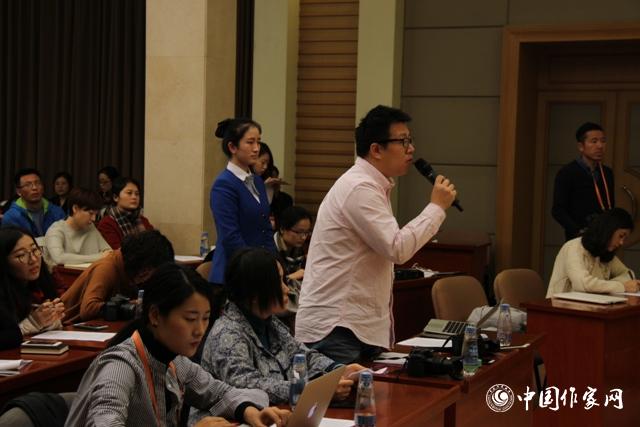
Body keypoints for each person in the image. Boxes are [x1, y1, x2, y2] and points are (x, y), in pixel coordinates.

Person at [295, 105, 457, 364]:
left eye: (410, 140)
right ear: (376, 149)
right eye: (403, 141)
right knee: (342, 392)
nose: (411, 149)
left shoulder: (371, 185)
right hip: (337, 328)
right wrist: (436, 207)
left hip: (354, 326)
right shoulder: (359, 187)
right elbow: (397, 248)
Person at [65, 262, 290, 427]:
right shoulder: (120, 367)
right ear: (155, 315)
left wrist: (250, 412)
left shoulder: (176, 362)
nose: (200, 330)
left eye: (205, 318)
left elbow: (220, 393)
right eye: (190, 319)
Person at [196, 248, 364, 407]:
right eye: (278, 282)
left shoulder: (269, 321)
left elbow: (302, 355)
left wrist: (338, 371)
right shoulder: (227, 334)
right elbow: (248, 386)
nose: (286, 289)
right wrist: (315, 390)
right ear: (254, 293)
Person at [208, 118, 275, 285]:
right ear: (232, 147)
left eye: (258, 142)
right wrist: (254, 267)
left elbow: (266, 228)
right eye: (250, 142)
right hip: (235, 272)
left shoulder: (257, 181)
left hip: (260, 269)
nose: (256, 148)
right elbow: (230, 236)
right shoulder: (224, 184)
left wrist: (273, 262)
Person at [61, 230, 174, 322]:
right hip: (66, 327)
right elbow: (88, 309)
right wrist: (130, 306)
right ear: (145, 270)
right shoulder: (107, 267)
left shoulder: (130, 269)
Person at [546, 208, 640, 297]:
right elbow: (582, 284)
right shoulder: (574, 247)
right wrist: (622, 286)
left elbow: (628, 274)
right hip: (559, 306)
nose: (621, 242)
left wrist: (607, 286)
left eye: (624, 238)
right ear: (609, 230)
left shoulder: (605, 251)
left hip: (591, 305)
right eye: (621, 236)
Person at [0, 227, 65, 350]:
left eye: (35, 250)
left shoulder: (43, 280)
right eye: (21, 255)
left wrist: (51, 318)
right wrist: (30, 324)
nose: (33, 260)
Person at [552, 122, 615, 241]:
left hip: (603, 237)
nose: (600, 146)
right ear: (581, 146)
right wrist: (578, 231)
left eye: (603, 141)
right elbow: (558, 210)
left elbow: (610, 205)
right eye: (594, 141)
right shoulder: (567, 172)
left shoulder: (607, 172)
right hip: (578, 237)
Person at [44, 188, 112, 266]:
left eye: (95, 214)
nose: (93, 219)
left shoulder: (90, 227)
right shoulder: (56, 230)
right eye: (90, 213)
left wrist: (102, 256)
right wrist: (98, 257)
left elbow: (108, 252)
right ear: (75, 208)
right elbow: (59, 258)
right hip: (63, 273)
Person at [2, 168, 65, 236]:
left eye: (38, 183)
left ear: (43, 188)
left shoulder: (57, 212)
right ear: (19, 192)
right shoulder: (11, 217)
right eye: (28, 185)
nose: (34, 188)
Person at [98, 177, 154, 249]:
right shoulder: (107, 223)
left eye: (137, 194)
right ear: (115, 197)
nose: (134, 197)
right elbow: (117, 251)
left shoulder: (143, 220)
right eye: (129, 193)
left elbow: (156, 244)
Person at [274, 206, 312, 311]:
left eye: (306, 233)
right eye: (298, 232)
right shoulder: (270, 250)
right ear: (282, 229)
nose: (303, 237)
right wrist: (292, 277)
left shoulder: (302, 249)